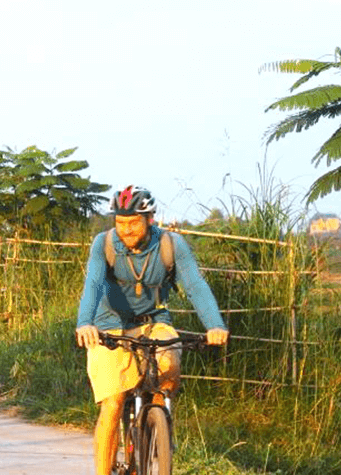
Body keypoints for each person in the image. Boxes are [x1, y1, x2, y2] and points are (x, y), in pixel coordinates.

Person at [74, 186, 229, 475]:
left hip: (154, 321)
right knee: (113, 401)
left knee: (168, 368)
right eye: (120, 223)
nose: (126, 230)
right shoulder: (103, 243)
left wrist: (215, 325)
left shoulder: (171, 244)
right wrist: (85, 323)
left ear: (150, 219)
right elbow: (93, 285)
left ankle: (157, 424)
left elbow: (195, 286)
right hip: (109, 326)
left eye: (133, 222)